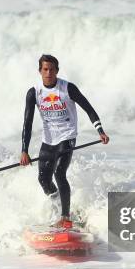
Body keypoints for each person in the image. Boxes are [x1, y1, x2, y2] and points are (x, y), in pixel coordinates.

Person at [20, 54, 109, 228]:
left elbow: (89, 109)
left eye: (52, 69)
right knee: (43, 180)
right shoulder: (34, 93)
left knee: (59, 172)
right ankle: (61, 206)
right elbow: (27, 123)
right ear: (40, 71)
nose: (48, 73)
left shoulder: (67, 88)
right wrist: (24, 150)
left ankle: (65, 217)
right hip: (49, 139)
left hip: (67, 136)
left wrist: (100, 131)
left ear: (57, 71)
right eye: (45, 69)